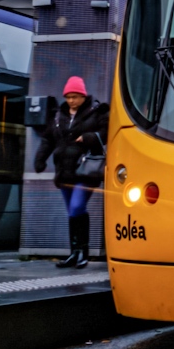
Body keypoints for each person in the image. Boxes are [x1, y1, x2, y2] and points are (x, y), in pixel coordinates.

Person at [34, 76, 108, 268]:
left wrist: (90, 137)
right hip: (64, 171)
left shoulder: (96, 112)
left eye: (75, 96)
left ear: (83, 96)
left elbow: (107, 132)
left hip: (85, 171)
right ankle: (74, 253)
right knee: (73, 213)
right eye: (68, 97)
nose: (71, 100)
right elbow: (48, 139)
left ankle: (83, 252)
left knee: (76, 208)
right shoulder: (59, 116)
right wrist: (40, 159)